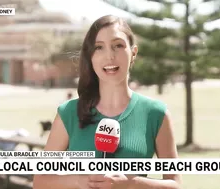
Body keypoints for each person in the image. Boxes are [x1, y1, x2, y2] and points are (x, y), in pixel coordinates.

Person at [33, 15, 181, 189]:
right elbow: (40, 181)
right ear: (91, 56)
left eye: (118, 45)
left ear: (133, 53)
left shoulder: (156, 114)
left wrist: (131, 184)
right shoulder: (68, 113)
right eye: (99, 48)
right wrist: (80, 181)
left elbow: (175, 185)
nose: (110, 56)